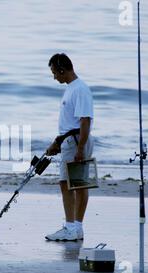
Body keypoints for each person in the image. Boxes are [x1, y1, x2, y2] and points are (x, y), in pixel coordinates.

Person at [45, 53, 94, 241]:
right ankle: (73, 226)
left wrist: (80, 149)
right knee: (67, 183)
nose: (54, 77)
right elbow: (70, 122)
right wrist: (57, 143)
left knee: (77, 184)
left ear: (62, 70)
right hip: (69, 141)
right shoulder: (71, 89)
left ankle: (74, 227)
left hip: (76, 142)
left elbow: (84, 121)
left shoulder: (80, 89)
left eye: (54, 72)